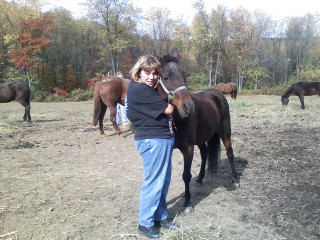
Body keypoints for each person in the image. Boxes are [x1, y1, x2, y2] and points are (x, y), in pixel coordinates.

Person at [126, 55, 178, 239]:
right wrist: (176, 95)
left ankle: (161, 216)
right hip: (153, 140)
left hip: (160, 139)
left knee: (162, 181)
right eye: (147, 73)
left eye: (155, 74)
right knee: (154, 182)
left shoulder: (145, 88)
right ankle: (145, 223)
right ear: (138, 72)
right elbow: (169, 110)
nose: (151, 77)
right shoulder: (140, 90)